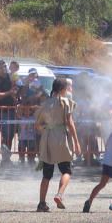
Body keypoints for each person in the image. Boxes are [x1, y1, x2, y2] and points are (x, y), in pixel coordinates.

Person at [35, 77, 80, 212]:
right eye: (66, 88)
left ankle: (41, 203)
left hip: (48, 138)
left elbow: (37, 125)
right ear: (62, 89)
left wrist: (46, 130)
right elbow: (70, 123)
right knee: (66, 170)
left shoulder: (46, 103)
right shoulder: (66, 102)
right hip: (60, 137)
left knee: (46, 174)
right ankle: (59, 194)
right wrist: (76, 142)